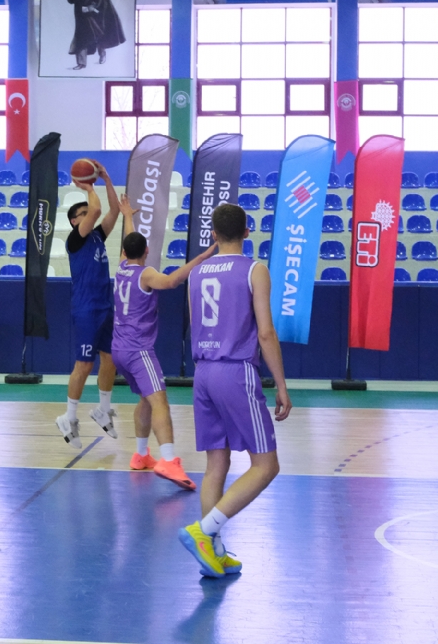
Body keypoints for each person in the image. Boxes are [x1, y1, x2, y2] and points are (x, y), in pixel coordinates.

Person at [178, 203, 292, 578]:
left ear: (213, 234)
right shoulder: (255, 269)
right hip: (235, 371)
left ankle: (213, 551)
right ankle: (204, 531)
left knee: (216, 463)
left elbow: (195, 324)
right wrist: (281, 383)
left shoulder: (195, 273)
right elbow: (265, 333)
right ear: (247, 231)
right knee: (266, 465)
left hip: (203, 372)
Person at [112, 194, 216, 490]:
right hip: (138, 350)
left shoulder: (121, 267)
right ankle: (168, 459)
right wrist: (202, 258)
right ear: (146, 251)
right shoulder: (146, 274)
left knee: (146, 399)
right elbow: (171, 281)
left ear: (125, 251)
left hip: (119, 348)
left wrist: (127, 216)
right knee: (160, 401)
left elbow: (129, 243)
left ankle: (141, 455)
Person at [55, 160, 122, 449]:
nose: (89, 214)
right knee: (84, 364)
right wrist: (88, 187)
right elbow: (96, 210)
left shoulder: (97, 236)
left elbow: (114, 211)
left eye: (87, 212)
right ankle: (68, 417)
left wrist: (107, 179)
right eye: (81, 214)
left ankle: (103, 409)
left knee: (111, 359)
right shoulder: (76, 240)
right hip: (86, 309)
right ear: (74, 221)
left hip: (105, 306)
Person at [61, 0, 126, 70]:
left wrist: (90, 7)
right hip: (81, 16)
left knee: (99, 35)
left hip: (95, 15)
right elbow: (71, 0)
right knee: (80, 38)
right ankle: (81, 63)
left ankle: (102, 53)